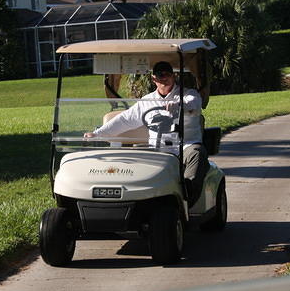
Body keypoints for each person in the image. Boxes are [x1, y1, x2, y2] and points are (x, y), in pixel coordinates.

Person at [84, 61, 208, 206]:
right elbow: (124, 120)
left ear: (174, 76)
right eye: (161, 75)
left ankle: (187, 200)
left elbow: (194, 104)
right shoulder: (146, 101)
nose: (165, 78)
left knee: (197, 153)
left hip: (185, 146)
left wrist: (180, 105)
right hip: (158, 149)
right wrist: (97, 133)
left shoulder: (187, 94)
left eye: (169, 74)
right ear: (153, 79)